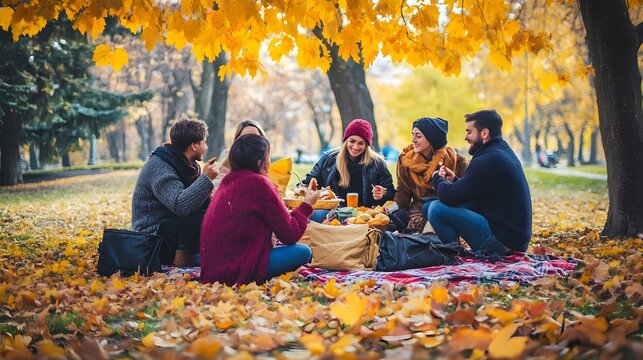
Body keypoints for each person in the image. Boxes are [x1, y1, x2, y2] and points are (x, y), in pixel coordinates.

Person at [200, 134, 319, 285]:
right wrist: (307, 204)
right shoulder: (259, 184)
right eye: (268, 157)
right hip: (239, 270)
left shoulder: (227, 182)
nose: (270, 162)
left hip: (213, 271)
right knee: (304, 251)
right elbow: (290, 234)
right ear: (259, 162)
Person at [428, 109, 532, 255]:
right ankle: (453, 250)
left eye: (469, 132)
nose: (466, 137)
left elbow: (449, 197)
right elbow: (473, 192)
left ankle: (451, 254)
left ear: (484, 133)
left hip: (502, 242)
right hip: (512, 236)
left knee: (436, 208)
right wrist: (453, 181)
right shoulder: (500, 152)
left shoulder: (488, 159)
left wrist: (437, 178)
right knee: (429, 206)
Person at [131, 118, 219, 266]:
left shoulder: (190, 166)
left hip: (171, 231)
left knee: (207, 217)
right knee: (197, 218)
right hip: (151, 238)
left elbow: (198, 203)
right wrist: (206, 179)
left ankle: (198, 256)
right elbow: (180, 205)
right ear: (194, 146)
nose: (207, 146)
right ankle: (182, 263)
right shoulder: (159, 166)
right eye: (204, 141)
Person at [303, 119, 395, 222]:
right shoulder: (329, 159)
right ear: (346, 140)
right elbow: (307, 185)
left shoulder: (378, 163)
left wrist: (383, 193)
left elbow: (391, 194)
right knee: (315, 215)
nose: (355, 147)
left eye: (361, 143)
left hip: (363, 214)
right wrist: (321, 192)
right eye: (352, 141)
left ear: (367, 145)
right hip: (332, 212)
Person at [389, 117, 467, 231]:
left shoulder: (457, 161)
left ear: (432, 139)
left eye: (418, 136)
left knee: (431, 207)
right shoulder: (406, 160)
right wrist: (386, 210)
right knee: (398, 216)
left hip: (446, 211)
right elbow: (403, 196)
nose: (413, 140)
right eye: (413, 135)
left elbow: (463, 195)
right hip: (417, 212)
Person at [212, 119, 267, 190]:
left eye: (255, 138)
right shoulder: (223, 176)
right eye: (245, 139)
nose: (251, 144)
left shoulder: (270, 171)